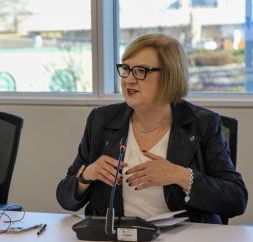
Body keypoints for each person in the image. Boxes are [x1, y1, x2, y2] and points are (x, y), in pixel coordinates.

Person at [56, 33, 248, 224]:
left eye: (140, 71)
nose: (128, 80)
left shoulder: (203, 124)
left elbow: (236, 199)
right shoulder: (102, 120)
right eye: (126, 69)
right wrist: (86, 175)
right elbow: (65, 198)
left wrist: (180, 176)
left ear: (169, 75)